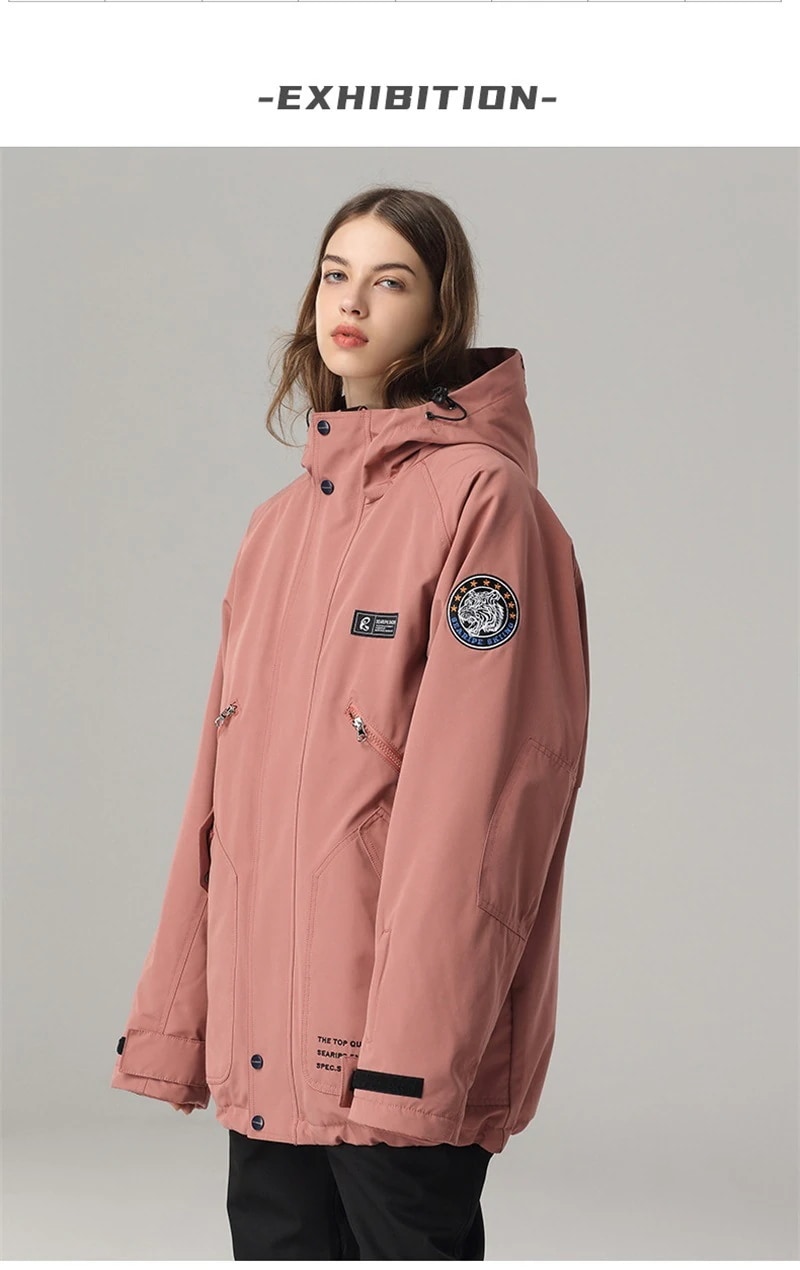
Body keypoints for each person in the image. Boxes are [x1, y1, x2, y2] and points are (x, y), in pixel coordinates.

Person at [110, 185, 591, 1260]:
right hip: (264, 1044)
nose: (353, 303)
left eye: (390, 280)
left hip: (392, 1053)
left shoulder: (484, 505)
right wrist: (184, 1016)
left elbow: (484, 808)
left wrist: (410, 1056)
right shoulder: (275, 527)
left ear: (440, 309)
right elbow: (218, 802)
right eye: (336, 274)